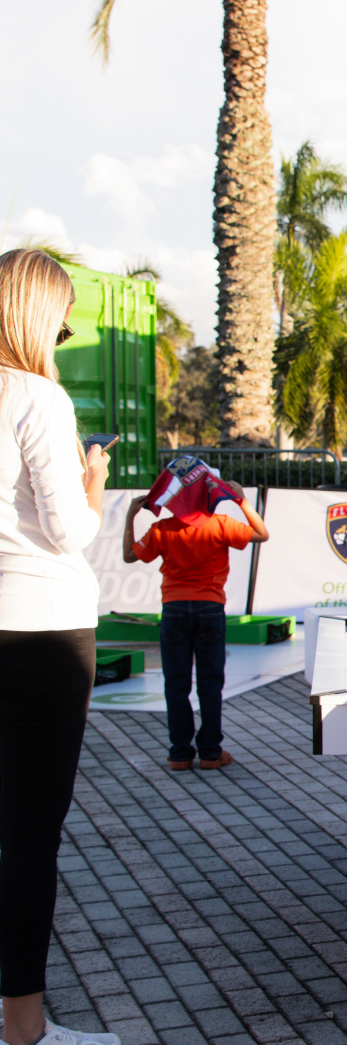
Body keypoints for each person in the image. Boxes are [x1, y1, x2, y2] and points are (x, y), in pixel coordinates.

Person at [0, 248, 118, 1045]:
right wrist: (93, 482)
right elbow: (68, 531)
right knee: (30, 837)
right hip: (42, 629)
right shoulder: (38, 397)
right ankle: (24, 1026)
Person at [122, 468, 270, 771]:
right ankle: (210, 752)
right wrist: (240, 501)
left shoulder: (163, 528)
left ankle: (179, 754)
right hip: (210, 609)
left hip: (174, 610)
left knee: (175, 684)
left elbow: (129, 555)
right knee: (210, 683)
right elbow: (262, 534)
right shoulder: (220, 525)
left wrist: (130, 517)